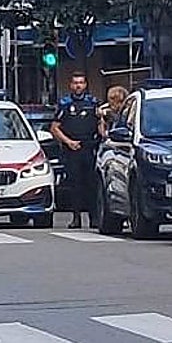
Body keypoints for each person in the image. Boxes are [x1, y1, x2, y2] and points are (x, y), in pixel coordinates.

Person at [50, 72, 101, 229]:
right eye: (75, 83)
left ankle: (94, 218)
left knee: (92, 184)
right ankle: (76, 218)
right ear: (71, 85)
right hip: (72, 149)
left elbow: (100, 125)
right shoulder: (65, 103)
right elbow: (54, 128)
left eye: (81, 82)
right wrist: (68, 142)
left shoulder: (93, 103)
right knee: (75, 185)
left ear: (85, 85)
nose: (78, 85)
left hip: (90, 148)